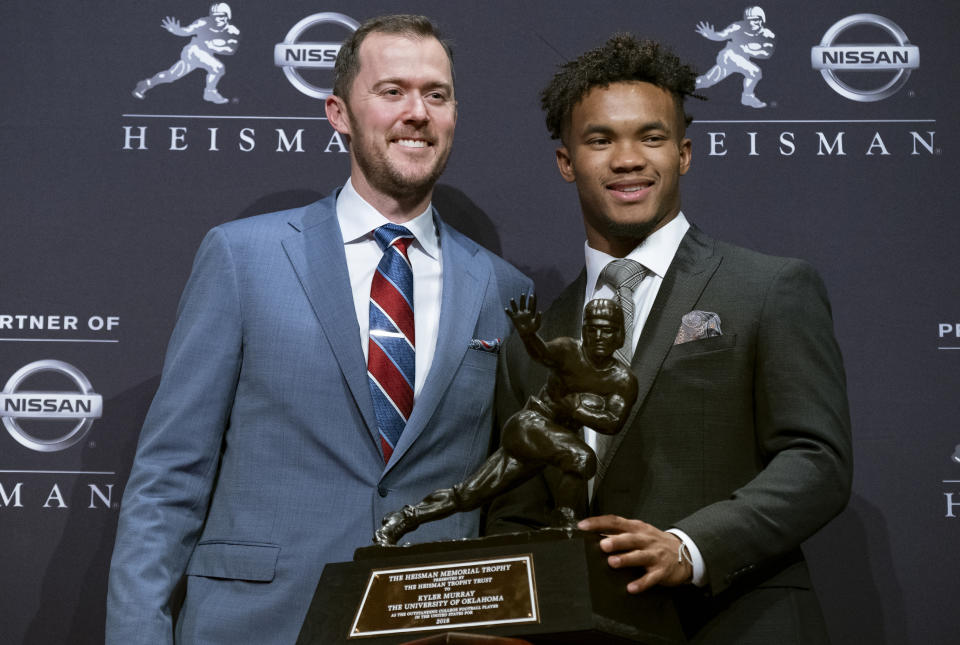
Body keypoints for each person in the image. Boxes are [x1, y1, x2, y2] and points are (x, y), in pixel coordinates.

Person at [107, 14, 531, 645]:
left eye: (435, 95)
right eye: (392, 92)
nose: (417, 112)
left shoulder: (503, 289)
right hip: (256, 626)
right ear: (339, 113)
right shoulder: (242, 258)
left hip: (430, 629)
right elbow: (170, 477)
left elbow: (508, 492)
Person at [486, 34, 852, 644]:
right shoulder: (540, 334)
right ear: (566, 161)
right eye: (600, 139)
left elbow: (817, 463)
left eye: (650, 137)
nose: (628, 159)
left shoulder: (768, 288)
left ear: (683, 153)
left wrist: (691, 546)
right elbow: (515, 506)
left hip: (739, 620)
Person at [372, 296, 638, 546]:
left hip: (551, 442)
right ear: (584, 331)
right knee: (581, 458)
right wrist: (527, 334)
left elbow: (611, 422)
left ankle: (404, 518)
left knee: (468, 494)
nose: (600, 337)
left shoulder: (622, 380)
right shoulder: (569, 350)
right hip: (531, 425)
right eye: (593, 330)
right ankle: (565, 524)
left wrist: (575, 407)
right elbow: (542, 354)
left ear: (619, 336)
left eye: (607, 330)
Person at [132, 3, 240, 104]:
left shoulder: (232, 31)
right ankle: (210, 92)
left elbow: (230, 50)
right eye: (214, 16)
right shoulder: (203, 22)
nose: (217, 19)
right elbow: (187, 31)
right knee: (218, 68)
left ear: (227, 16)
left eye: (221, 16)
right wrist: (176, 30)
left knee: (171, 75)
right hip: (193, 50)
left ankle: (146, 84)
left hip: (205, 54)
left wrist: (214, 47)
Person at [694, 6, 775, 108]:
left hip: (741, 60)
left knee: (706, 81)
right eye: (749, 20)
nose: (751, 23)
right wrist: (711, 35)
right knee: (755, 72)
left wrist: (749, 50)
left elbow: (767, 54)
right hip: (729, 56)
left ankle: (685, 84)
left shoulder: (767, 35)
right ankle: (747, 97)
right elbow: (721, 35)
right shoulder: (737, 27)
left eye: (755, 20)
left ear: (761, 19)